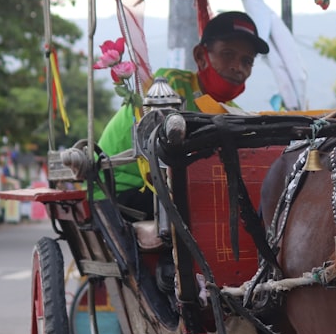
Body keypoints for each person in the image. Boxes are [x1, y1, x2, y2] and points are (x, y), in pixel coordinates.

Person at [96, 11, 270, 217]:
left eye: (247, 61)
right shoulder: (168, 87)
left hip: (169, 190)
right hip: (119, 188)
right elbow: (161, 167)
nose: (237, 67)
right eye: (228, 54)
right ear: (200, 56)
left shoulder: (232, 111)